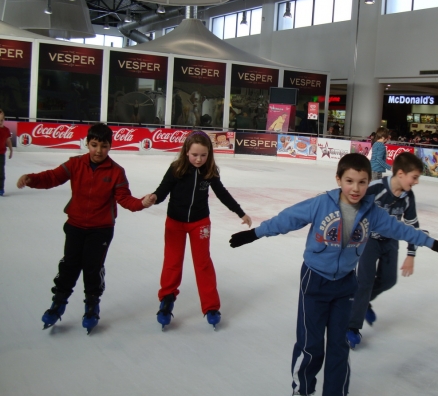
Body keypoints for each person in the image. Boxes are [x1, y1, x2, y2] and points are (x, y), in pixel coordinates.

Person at [228, 153, 438, 396]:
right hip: (315, 281)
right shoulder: (321, 204)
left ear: (368, 182)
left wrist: (435, 244)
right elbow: (288, 219)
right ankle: (302, 391)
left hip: (345, 285)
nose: (356, 188)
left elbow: (402, 230)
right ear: (338, 179)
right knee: (310, 344)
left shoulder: (372, 213)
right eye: (349, 181)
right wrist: (254, 234)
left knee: (339, 346)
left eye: (362, 182)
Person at [16, 123, 154, 333]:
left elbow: (124, 198)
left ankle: (91, 305)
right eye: (94, 145)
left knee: (92, 268)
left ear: (110, 146)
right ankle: (58, 303)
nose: (99, 151)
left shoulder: (116, 171)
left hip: (101, 229)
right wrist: (31, 179)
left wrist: (141, 203)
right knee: (69, 265)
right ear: (87, 144)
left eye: (104, 146)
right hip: (75, 225)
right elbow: (52, 177)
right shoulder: (75, 164)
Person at [146, 131, 251, 330]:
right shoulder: (176, 168)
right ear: (186, 151)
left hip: (200, 222)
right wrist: (153, 198)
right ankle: (166, 300)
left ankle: (211, 307)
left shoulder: (209, 171)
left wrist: (240, 212)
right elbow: (162, 191)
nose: (198, 159)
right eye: (195, 155)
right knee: (172, 262)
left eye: (203, 155)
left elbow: (222, 193)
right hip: (175, 222)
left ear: (209, 154)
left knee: (203, 263)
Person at [346, 152, 427, 349]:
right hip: (368, 241)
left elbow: (413, 226)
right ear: (400, 174)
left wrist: (411, 254)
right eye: (414, 177)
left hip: (390, 241)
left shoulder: (408, 197)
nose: (416, 182)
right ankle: (351, 327)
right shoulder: (375, 189)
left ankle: (362, 302)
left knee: (389, 280)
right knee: (365, 282)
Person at [0, 109, 14, 196]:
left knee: (1, 172)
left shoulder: (6, 130)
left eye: (1, 120)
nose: (0, 122)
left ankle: (1, 188)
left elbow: (8, 141)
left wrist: (11, 150)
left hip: (1, 154)